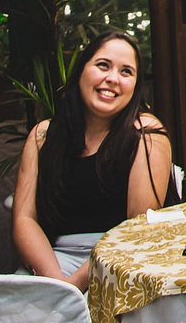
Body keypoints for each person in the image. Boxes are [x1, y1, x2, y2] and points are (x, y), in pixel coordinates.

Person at [12, 30, 177, 292]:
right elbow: (24, 219)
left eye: (126, 72)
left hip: (124, 259)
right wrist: (57, 283)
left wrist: (75, 287)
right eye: (103, 66)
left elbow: (136, 224)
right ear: (81, 71)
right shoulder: (43, 136)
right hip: (53, 262)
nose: (112, 79)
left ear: (135, 86)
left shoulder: (146, 133)